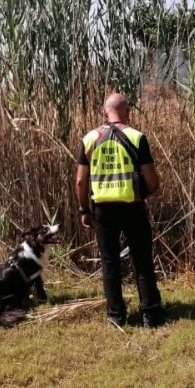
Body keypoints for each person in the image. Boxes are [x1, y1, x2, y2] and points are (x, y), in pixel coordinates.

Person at [74, 93, 165, 328]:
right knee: (142, 260)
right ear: (127, 111)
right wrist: (143, 192)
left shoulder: (89, 138)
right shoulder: (137, 137)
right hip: (132, 207)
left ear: (105, 113)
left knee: (110, 262)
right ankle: (151, 315)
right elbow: (152, 181)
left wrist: (84, 210)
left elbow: (81, 182)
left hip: (102, 210)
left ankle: (116, 316)